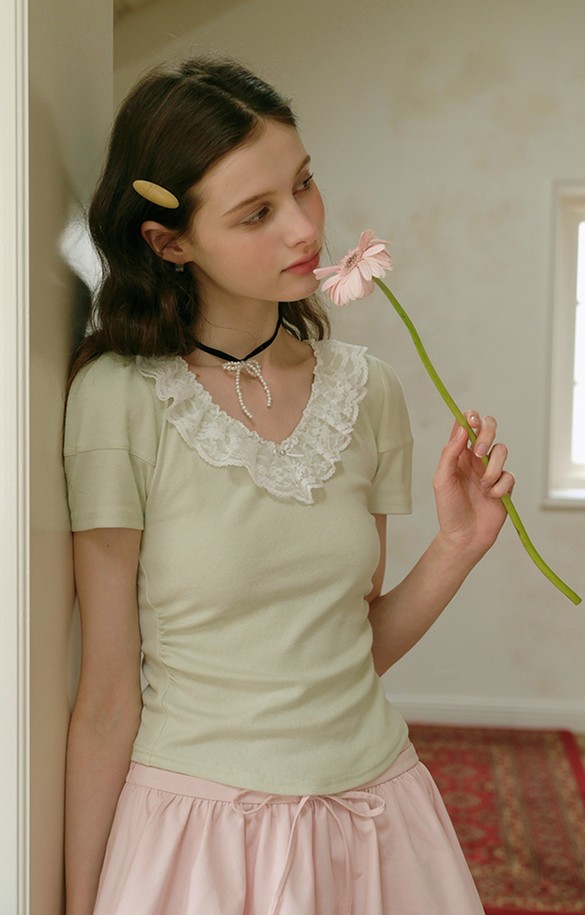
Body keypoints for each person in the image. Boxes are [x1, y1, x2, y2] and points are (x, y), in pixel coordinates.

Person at [63, 57, 514, 915]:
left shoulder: (368, 390)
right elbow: (108, 698)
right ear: (169, 241)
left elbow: (349, 647)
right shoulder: (117, 399)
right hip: (201, 840)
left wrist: (459, 546)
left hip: (378, 819)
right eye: (257, 212)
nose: (305, 227)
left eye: (304, 183)